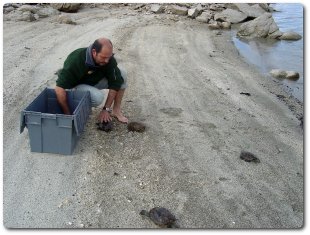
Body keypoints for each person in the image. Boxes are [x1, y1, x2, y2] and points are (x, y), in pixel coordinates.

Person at [55, 37, 128, 123]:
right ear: (94, 52)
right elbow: (59, 89)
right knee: (98, 98)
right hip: (77, 84)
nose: (107, 61)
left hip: (93, 80)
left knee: (122, 74)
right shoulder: (75, 59)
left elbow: (115, 82)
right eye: (103, 57)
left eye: (109, 57)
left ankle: (116, 110)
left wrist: (106, 109)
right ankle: (80, 106)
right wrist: (67, 115)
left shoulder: (108, 59)